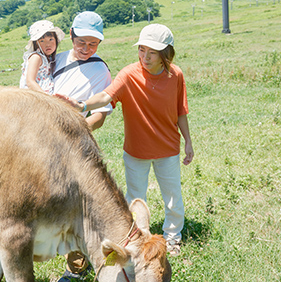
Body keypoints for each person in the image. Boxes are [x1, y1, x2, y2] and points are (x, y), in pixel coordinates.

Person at [71, 24, 193, 256]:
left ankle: (173, 237)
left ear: (165, 53)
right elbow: (107, 95)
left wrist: (188, 141)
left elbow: (181, 111)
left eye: (152, 52)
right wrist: (84, 105)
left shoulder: (175, 75)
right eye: (141, 50)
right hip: (136, 150)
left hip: (168, 148)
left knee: (172, 196)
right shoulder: (129, 74)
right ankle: (138, 238)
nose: (145, 57)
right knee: (135, 198)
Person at [51, 11, 113, 282]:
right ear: (72, 36)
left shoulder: (100, 70)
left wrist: (78, 132)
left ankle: (76, 266)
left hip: (76, 145)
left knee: (77, 203)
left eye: (93, 44)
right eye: (82, 43)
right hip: (44, 141)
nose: (87, 49)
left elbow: (101, 114)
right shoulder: (56, 59)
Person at [20, 20, 64, 94]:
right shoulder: (36, 57)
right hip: (36, 97)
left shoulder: (49, 59)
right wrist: (45, 98)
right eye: (42, 41)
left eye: (51, 39)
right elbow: (30, 81)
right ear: (36, 44)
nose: (48, 44)